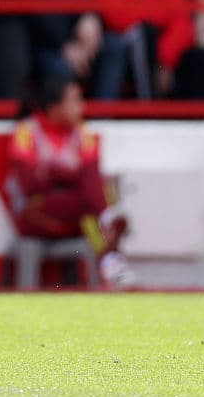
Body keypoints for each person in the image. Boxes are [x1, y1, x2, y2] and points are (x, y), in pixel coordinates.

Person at [8, 75, 136, 287]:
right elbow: (30, 185)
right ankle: (110, 250)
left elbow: (90, 178)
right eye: (75, 100)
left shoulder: (83, 133)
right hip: (35, 214)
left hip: (76, 216)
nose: (81, 107)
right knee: (90, 199)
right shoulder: (27, 132)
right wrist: (66, 175)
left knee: (90, 192)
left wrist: (54, 174)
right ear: (54, 107)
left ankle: (109, 249)